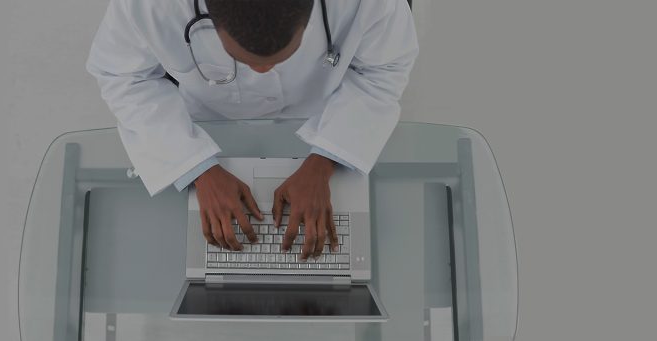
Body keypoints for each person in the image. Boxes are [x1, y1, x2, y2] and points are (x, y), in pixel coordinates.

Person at [86, 0, 418, 261]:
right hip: (208, 130)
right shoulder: (147, 5)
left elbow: (384, 68)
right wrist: (195, 167)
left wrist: (326, 160)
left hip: (325, 120)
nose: (262, 71)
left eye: (284, 56)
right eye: (242, 59)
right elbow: (123, 76)